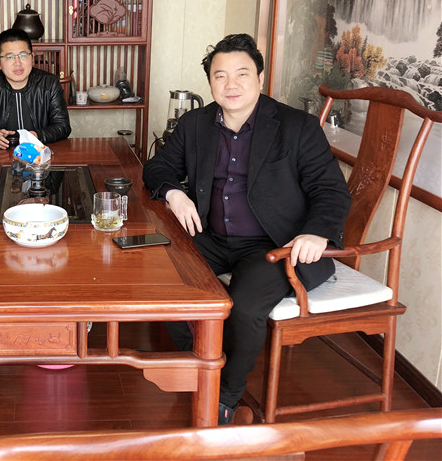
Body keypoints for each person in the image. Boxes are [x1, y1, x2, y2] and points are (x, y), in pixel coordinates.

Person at [142, 33, 350, 425]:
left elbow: (330, 190)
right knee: (163, 277)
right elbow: (158, 166)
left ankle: (224, 397)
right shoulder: (195, 123)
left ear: (260, 77)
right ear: (210, 83)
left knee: (246, 302)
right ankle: (201, 365)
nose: (231, 84)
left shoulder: (297, 126)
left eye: (242, 73)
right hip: (212, 236)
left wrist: (316, 232)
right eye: (220, 76)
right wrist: (174, 193)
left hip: (278, 244)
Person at [0, 28, 71, 148]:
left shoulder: (49, 83)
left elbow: (63, 126)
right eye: (10, 57)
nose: (17, 63)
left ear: (32, 57)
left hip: (39, 153)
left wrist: (38, 135)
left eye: (23, 55)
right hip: (1, 153)